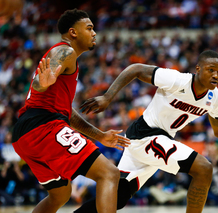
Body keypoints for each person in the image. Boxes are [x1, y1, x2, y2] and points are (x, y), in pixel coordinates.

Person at [79, 50, 218, 212]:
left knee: (117, 196)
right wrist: (107, 96)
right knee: (203, 169)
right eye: (210, 70)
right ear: (198, 68)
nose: (216, 75)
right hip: (145, 135)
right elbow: (135, 69)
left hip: (157, 140)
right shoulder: (177, 80)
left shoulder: (216, 98)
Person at [12, 9, 130, 213]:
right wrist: (42, 83)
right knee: (109, 173)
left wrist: (100, 135)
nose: (94, 33)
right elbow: (42, 83)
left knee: (60, 194)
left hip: (25, 134)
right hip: (43, 127)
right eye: (90, 28)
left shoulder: (68, 60)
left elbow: (66, 112)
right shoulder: (65, 51)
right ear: (73, 32)